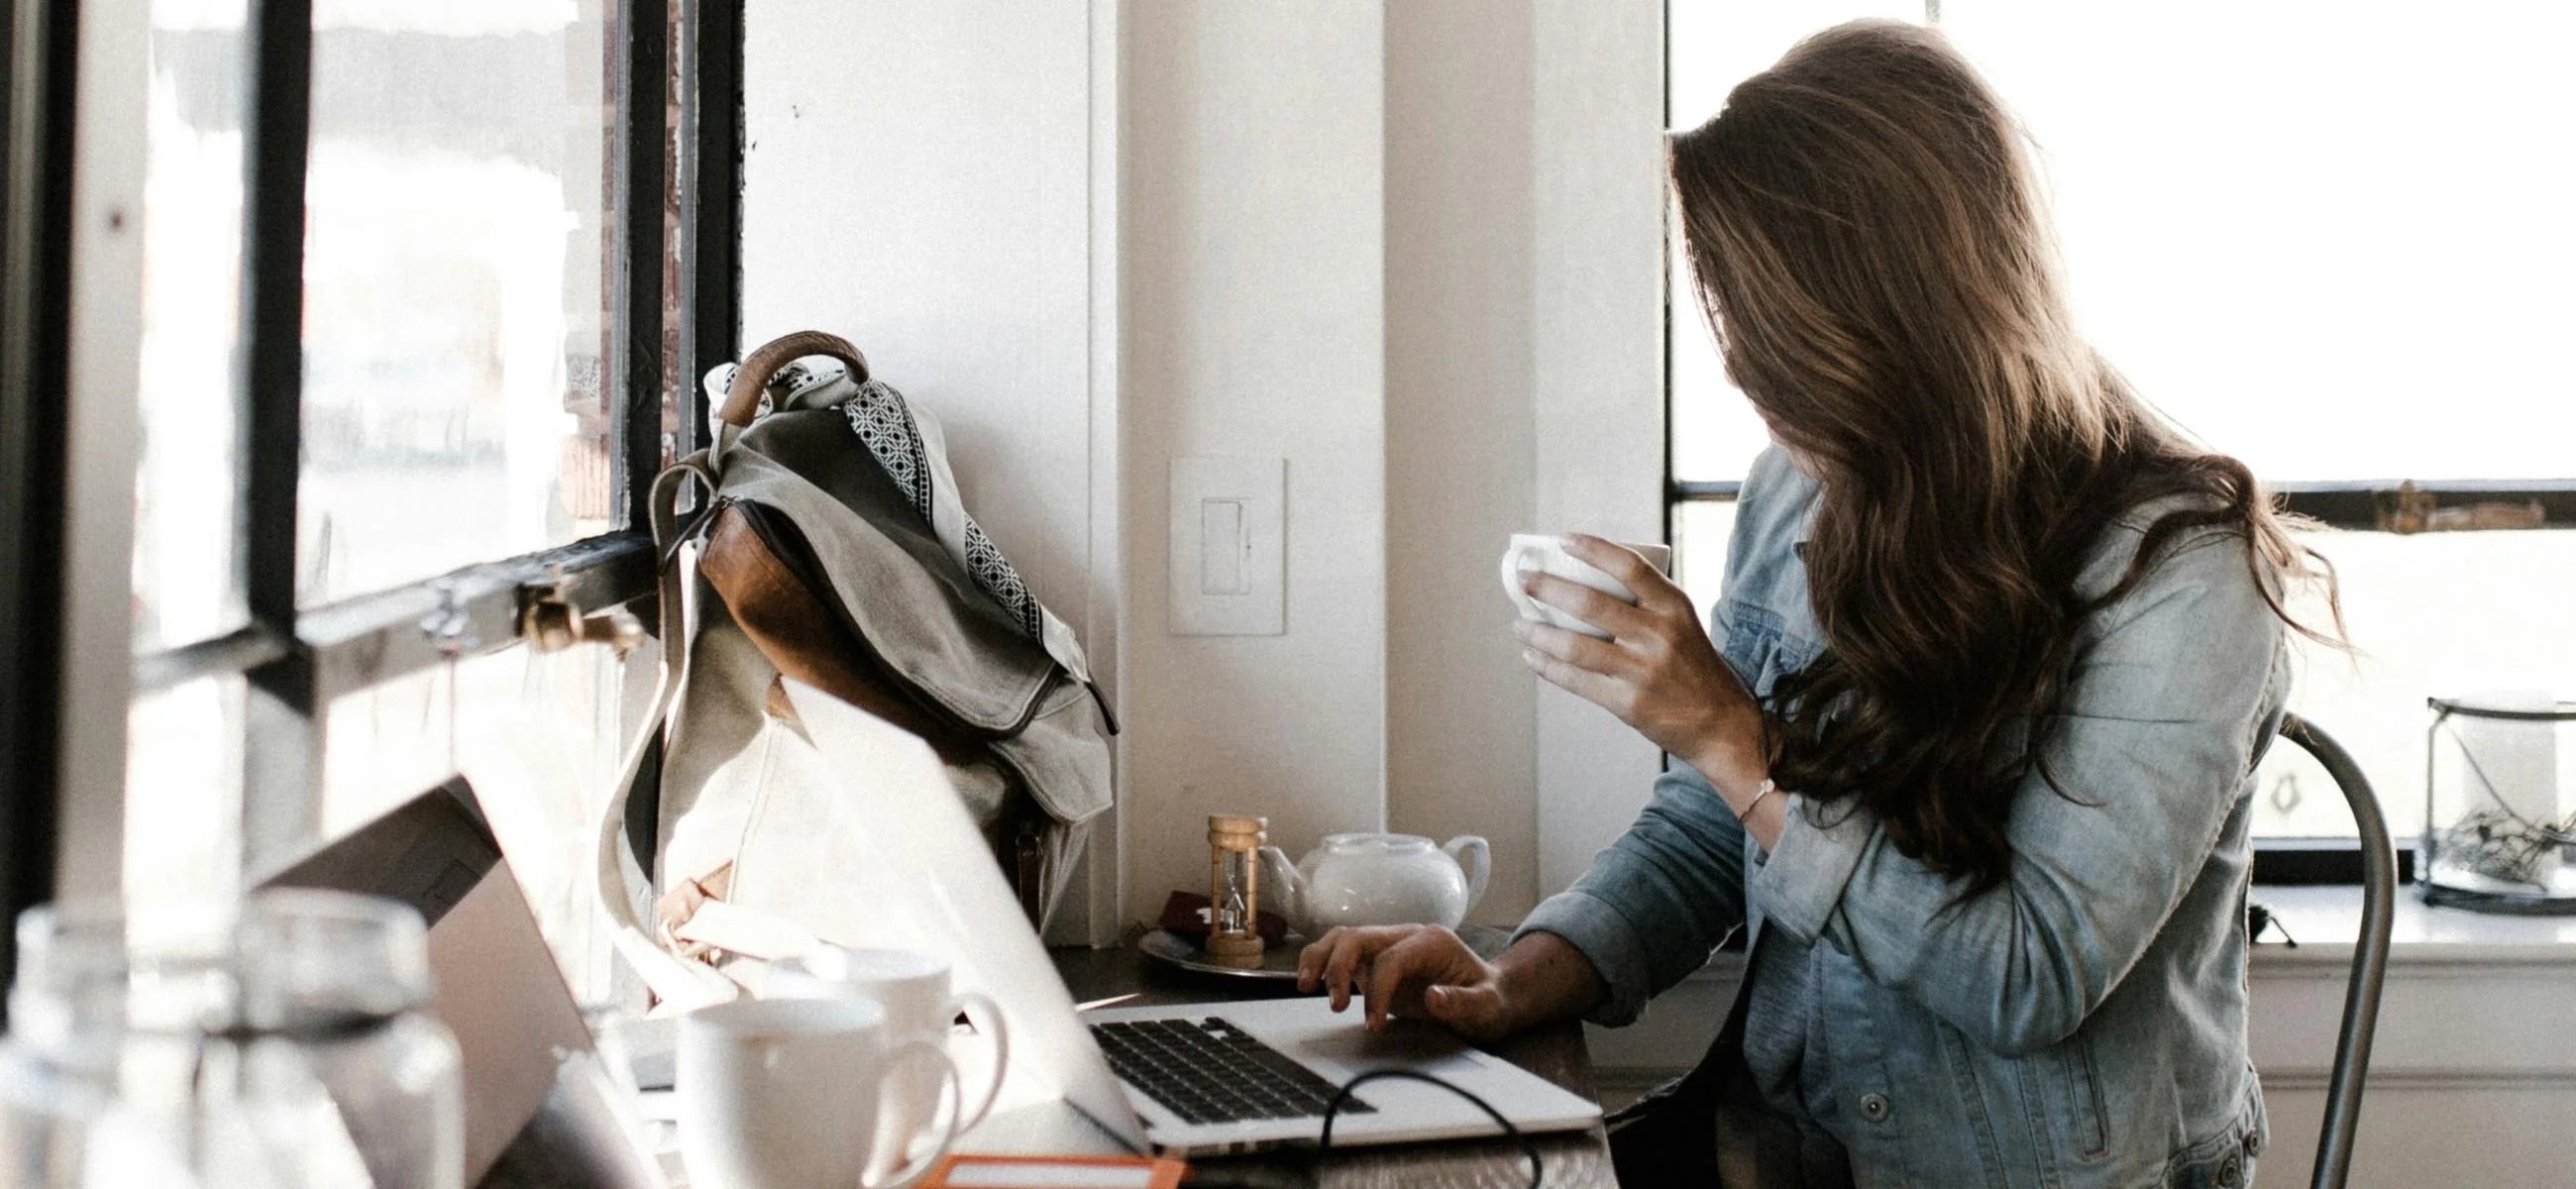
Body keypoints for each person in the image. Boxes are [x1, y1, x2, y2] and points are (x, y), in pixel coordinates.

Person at [1299, 19, 2342, 1188]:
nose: (1749, 379)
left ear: (1894, 320)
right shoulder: (1802, 485)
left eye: (1773, 343)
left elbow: (2026, 974)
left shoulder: (2182, 577)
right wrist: (1515, 975)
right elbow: (1711, 828)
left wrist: (1727, 736)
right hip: (1780, 1150)